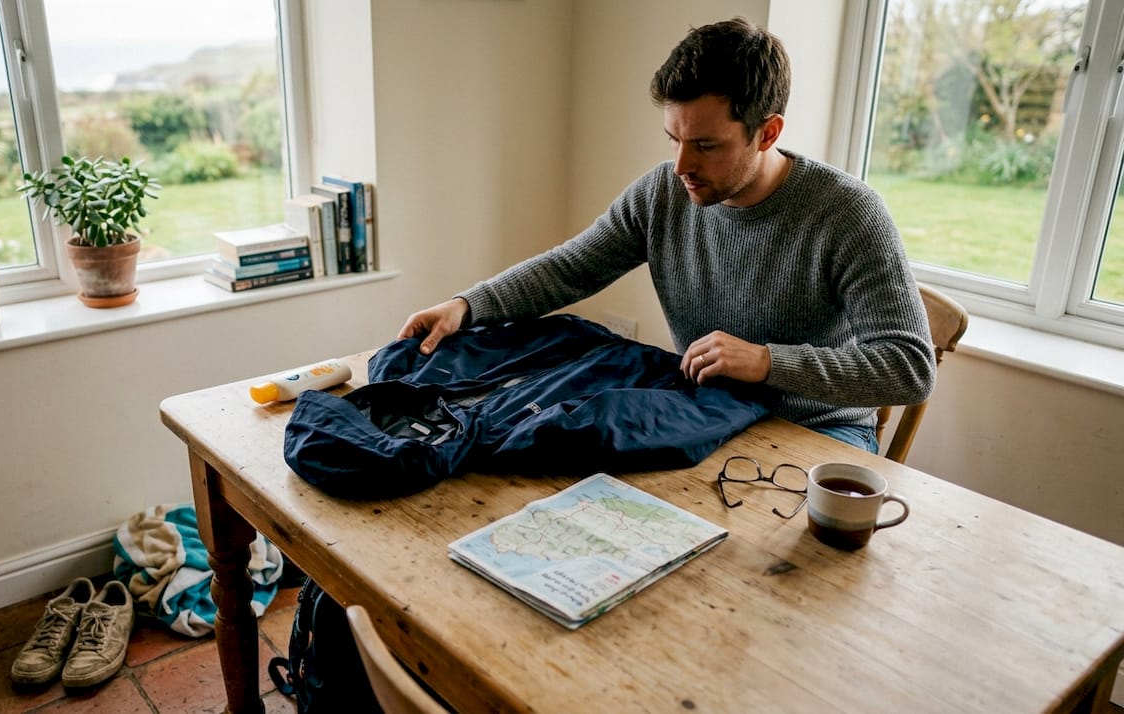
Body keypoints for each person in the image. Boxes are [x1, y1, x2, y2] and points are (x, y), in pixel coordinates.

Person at [396, 17, 935, 453]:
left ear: (767, 132)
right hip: (702, 409)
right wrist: (466, 306)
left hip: (817, 432)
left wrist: (767, 361)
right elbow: (570, 268)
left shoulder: (849, 212)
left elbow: (910, 367)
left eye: (705, 145)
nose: (681, 165)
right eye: (673, 138)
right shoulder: (662, 193)